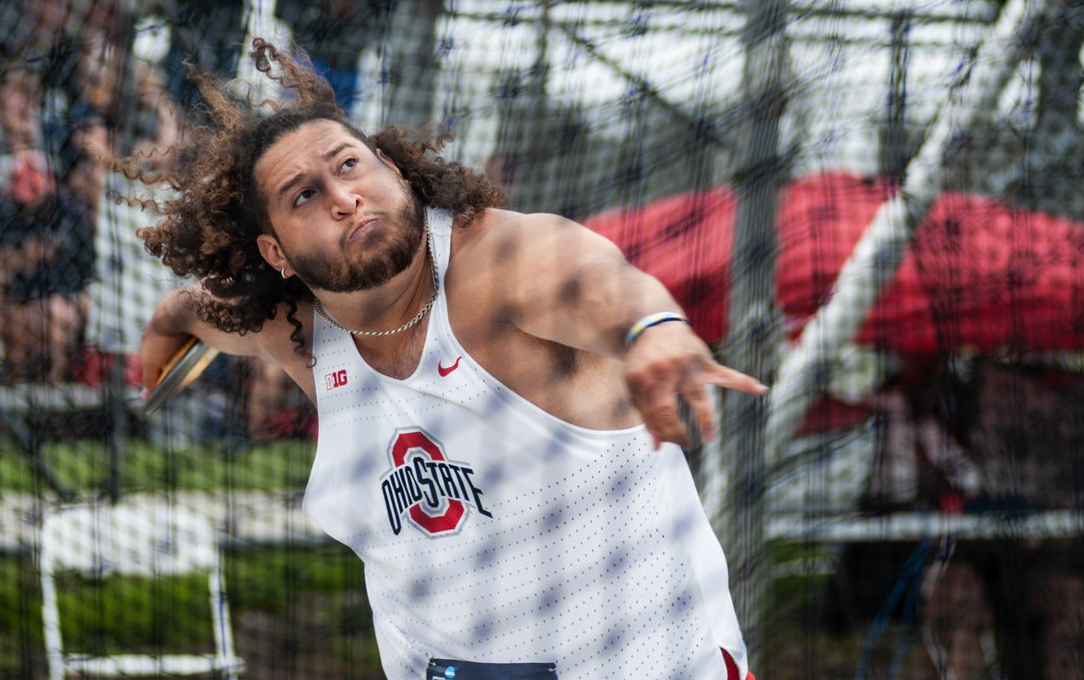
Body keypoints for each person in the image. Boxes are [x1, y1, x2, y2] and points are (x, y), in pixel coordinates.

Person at [131, 39, 764, 680]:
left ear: (392, 170)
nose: (343, 198)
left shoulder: (496, 264)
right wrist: (158, 346)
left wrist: (653, 330)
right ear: (277, 256)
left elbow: (593, 278)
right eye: (303, 197)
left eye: (348, 165)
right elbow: (191, 308)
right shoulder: (295, 334)